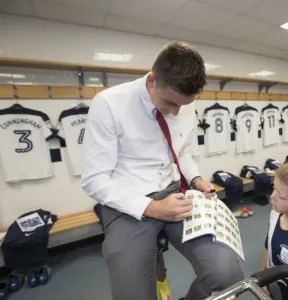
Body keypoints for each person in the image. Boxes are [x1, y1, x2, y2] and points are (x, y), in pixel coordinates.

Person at [82, 42, 243, 300]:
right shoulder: (109, 103)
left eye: (184, 105)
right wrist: (152, 208)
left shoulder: (183, 102)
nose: (176, 112)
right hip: (127, 202)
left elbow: (182, 152)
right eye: (170, 102)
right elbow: (94, 180)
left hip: (175, 193)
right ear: (152, 80)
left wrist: (196, 178)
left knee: (228, 277)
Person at [260, 162, 288, 300]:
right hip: (275, 284)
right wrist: (263, 277)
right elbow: (268, 247)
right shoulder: (275, 214)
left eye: (281, 197)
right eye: (274, 188)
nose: (272, 196)